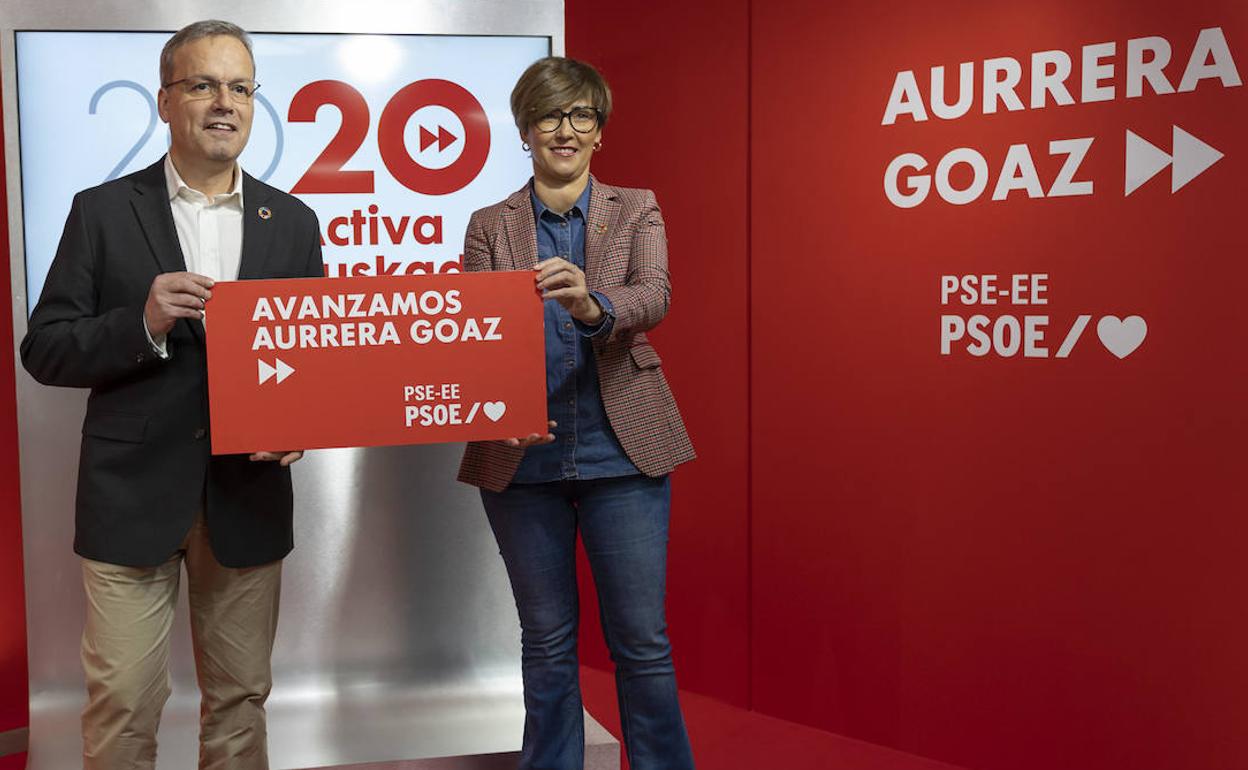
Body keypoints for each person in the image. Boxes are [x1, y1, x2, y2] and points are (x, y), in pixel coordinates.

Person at [20, 20, 323, 770]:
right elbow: (46, 348)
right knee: (122, 702)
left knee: (240, 700)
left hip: (247, 497)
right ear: (165, 101)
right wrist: (143, 322)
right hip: (130, 498)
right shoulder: (102, 210)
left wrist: (299, 425)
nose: (225, 103)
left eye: (241, 88)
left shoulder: (292, 221)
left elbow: (313, 363)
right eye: (204, 85)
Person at [458, 57, 697, 769]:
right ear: (524, 130)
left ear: (600, 131)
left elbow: (655, 293)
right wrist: (491, 402)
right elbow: (475, 334)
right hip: (520, 460)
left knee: (641, 642)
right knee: (548, 644)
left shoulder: (637, 205)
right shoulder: (487, 224)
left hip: (623, 454)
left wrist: (593, 303)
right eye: (548, 116)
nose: (565, 130)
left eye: (581, 116)